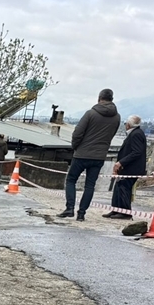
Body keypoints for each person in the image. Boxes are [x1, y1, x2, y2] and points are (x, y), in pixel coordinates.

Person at [58, 89, 121, 221]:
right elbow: (111, 134)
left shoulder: (90, 114)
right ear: (112, 99)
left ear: (99, 98)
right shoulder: (117, 117)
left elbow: (77, 133)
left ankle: (70, 208)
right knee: (90, 185)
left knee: (71, 180)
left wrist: (75, 147)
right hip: (99, 156)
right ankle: (81, 213)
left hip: (82, 154)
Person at [103, 115, 147, 219]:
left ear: (128, 125)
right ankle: (115, 209)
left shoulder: (136, 134)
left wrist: (121, 162)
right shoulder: (134, 133)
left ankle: (125, 212)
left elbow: (136, 152)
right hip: (126, 168)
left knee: (124, 188)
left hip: (131, 168)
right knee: (118, 187)